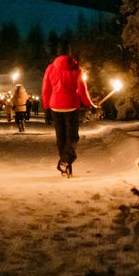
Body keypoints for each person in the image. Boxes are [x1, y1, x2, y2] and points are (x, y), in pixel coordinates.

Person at [42, 39, 96, 177]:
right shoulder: (76, 68)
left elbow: (46, 89)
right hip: (71, 106)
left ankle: (66, 167)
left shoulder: (50, 68)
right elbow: (82, 90)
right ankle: (65, 161)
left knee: (61, 138)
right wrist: (90, 104)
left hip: (55, 106)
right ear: (69, 52)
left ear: (58, 53)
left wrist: (46, 107)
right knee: (72, 137)